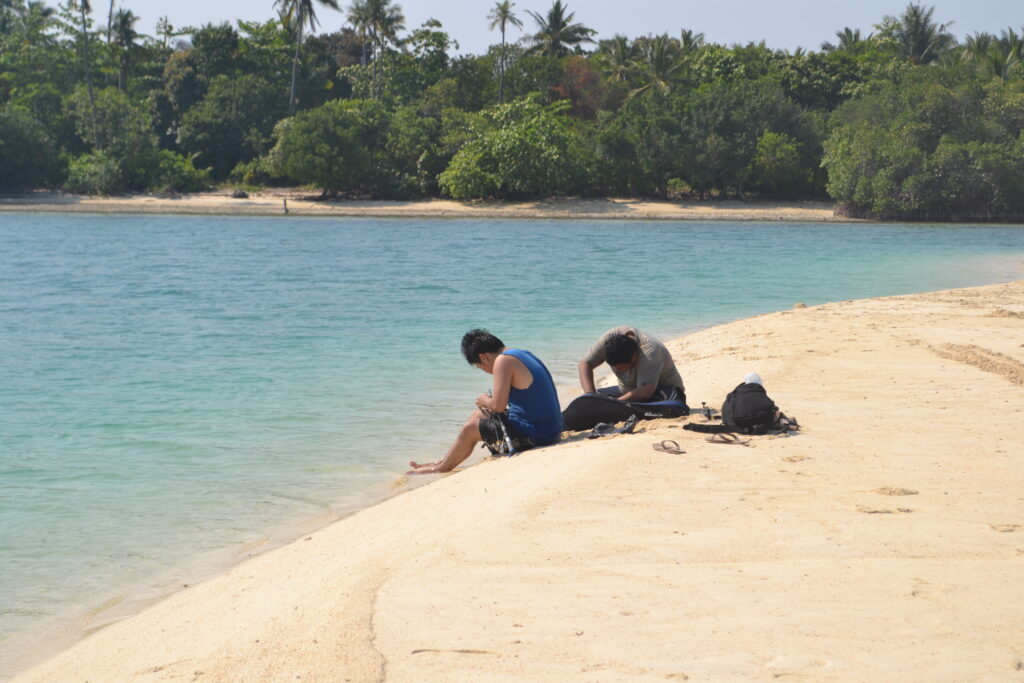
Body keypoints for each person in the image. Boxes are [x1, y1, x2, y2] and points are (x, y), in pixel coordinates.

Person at [407, 329, 562, 474]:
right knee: (479, 415)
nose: (486, 371)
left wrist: (485, 400)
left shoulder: (503, 361)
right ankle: (443, 460)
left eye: (480, 367)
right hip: (550, 429)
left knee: (471, 428)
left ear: (483, 357)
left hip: (538, 435)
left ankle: (439, 469)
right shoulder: (521, 353)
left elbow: (498, 406)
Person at [577, 326, 686, 404]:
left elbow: (645, 392)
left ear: (634, 357)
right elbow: (585, 363)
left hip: (665, 392)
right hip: (628, 392)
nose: (620, 371)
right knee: (587, 400)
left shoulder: (649, 352)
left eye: (622, 368)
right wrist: (590, 395)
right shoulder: (610, 339)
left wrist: (613, 404)